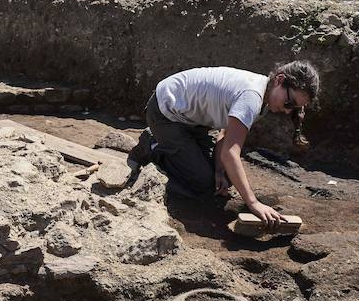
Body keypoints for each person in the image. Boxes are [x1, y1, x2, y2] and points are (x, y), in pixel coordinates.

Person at [131, 61, 320, 230]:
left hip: (192, 122)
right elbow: (231, 152)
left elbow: (225, 132)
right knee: (202, 183)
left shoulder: (263, 95)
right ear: (280, 80)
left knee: (224, 178)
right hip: (164, 113)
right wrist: (253, 203)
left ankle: (172, 146)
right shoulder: (252, 97)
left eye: (294, 108)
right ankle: (152, 145)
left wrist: (219, 171)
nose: (287, 110)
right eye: (289, 102)